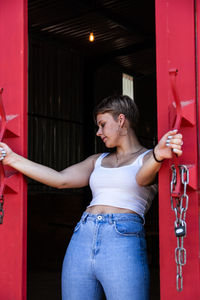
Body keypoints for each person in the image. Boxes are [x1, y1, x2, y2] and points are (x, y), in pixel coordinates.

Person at [0, 95, 183, 300]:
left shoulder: (151, 157)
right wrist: (11, 158)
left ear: (121, 120)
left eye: (103, 125)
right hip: (82, 236)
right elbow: (60, 179)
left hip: (122, 241)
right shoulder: (98, 160)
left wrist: (158, 154)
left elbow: (142, 178)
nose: (98, 132)